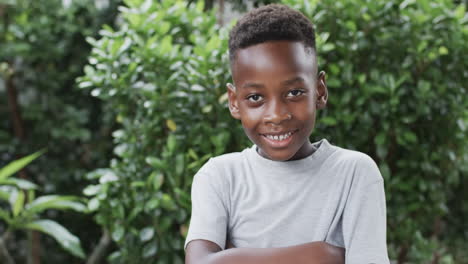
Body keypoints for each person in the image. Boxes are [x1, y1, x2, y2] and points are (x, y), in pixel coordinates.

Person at [184, 4, 389, 264]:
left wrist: (230, 257)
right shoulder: (219, 177)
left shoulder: (354, 173)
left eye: (294, 93)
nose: (277, 115)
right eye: (255, 97)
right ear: (235, 101)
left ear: (320, 91)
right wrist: (321, 255)